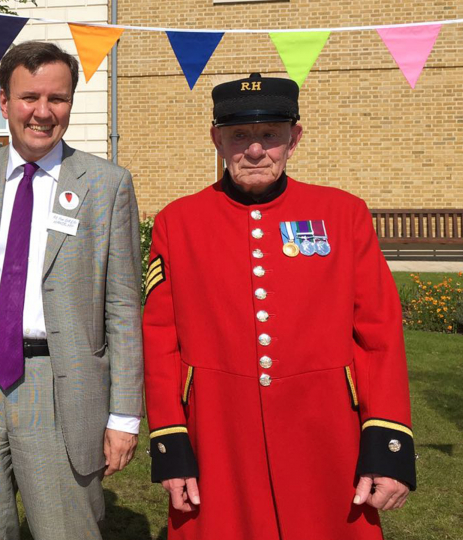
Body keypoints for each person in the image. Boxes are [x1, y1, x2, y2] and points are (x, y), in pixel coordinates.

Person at [143, 73, 415, 540]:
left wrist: (387, 445)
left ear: (295, 138)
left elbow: (380, 334)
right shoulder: (177, 222)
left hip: (326, 434)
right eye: (240, 136)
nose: (254, 150)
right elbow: (160, 340)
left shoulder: (343, 214)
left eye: (270, 134)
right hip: (219, 436)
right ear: (217, 140)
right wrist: (171, 440)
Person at [0, 41, 144, 540]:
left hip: (60, 386)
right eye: (29, 97)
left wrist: (125, 416)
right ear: (3, 101)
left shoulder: (106, 185)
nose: (43, 112)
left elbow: (125, 309)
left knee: (66, 530)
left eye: (57, 99)